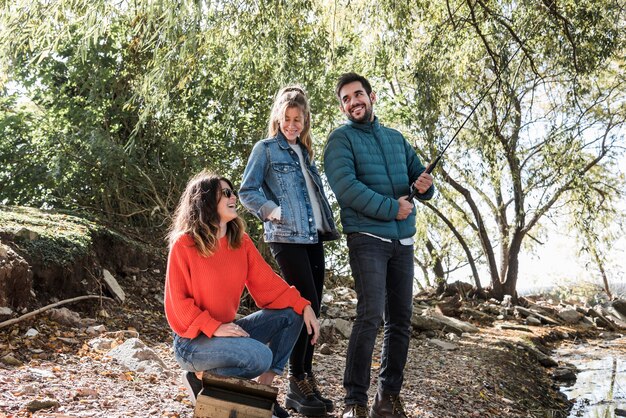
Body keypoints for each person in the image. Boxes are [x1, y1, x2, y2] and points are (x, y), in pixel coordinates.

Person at [164, 171, 320, 418]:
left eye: (232, 191)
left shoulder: (241, 242)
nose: (233, 196)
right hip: (192, 342)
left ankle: (263, 391)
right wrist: (213, 326)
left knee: (293, 312)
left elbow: (268, 284)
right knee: (260, 356)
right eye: (225, 193)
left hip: (227, 332)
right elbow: (177, 304)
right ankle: (201, 380)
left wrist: (305, 305)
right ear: (205, 201)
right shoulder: (185, 244)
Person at [323, 73, 435, 418]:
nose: (353, 102)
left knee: (401, 319)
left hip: (402, 240)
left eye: (358, 95)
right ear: (343, 106)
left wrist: (426, 185)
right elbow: (347, 190)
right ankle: (354, 402)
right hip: (367, 237)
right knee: (370, 315)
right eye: (346, 99)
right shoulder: (339, 141)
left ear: (371, 97)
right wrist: (392, 207)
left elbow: (422, 182)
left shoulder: (396, 139)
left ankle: (387, 398)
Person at [240, 85, 340, 417]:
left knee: (314, 307)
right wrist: (272, 210)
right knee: (304, 304)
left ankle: (305, 377)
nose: (292, 125)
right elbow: (246, 190)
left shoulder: (305, 154)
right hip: (285, 236)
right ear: (278, 118)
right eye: (287, 118)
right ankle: (297, 379)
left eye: (298, 120)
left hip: (312, 238)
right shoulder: (266, 149)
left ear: (305, 121)